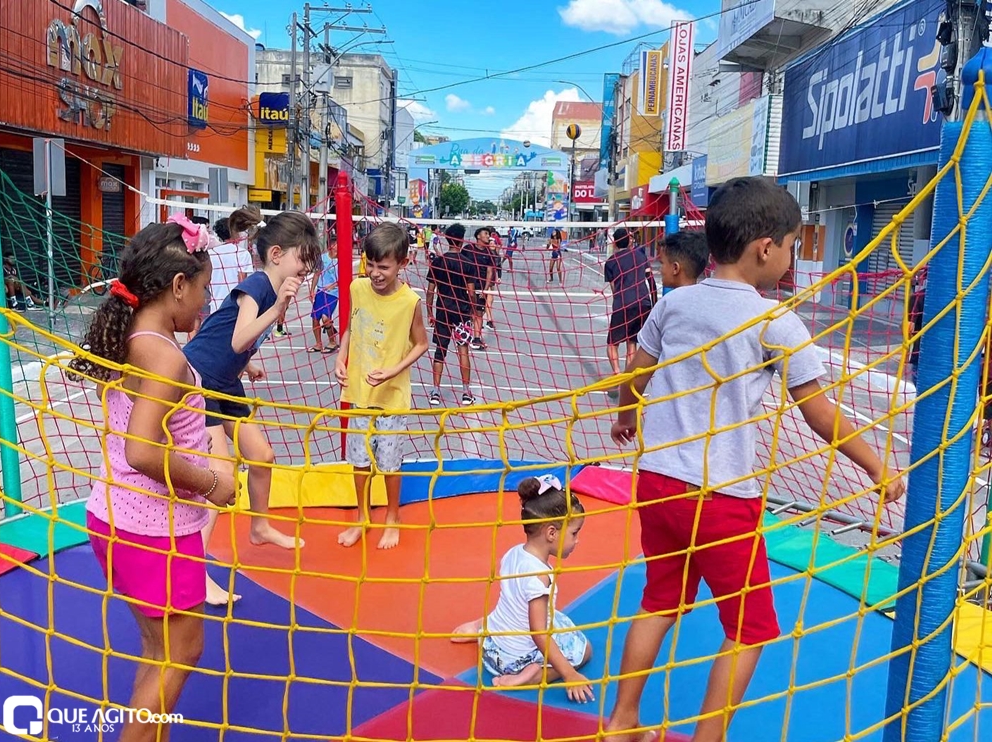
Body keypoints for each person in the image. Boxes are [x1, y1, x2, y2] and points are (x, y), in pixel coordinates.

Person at [604, 177, 907, 742]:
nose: (792, 257)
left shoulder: (675, 303)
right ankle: (709, 736)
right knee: (751, 626)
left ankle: (621, 721)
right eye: (793, 245)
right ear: (765, 247)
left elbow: (637, 373)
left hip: (658, 483)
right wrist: (876, 465)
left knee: (659, 601)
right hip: (720, 497)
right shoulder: (774, 321)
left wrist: (626, 417)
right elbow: (819, 412)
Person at [67, 219, 237, 741]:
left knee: (160, 651)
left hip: (117, 518)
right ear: (179, 286)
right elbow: (142, 450)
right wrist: (212, 483)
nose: (206, 302)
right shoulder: (163, 356)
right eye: (204, 288)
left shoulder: (132, 337)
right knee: (182, 652)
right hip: (153, 531)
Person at [184, 210, 319, 604]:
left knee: (263, 455)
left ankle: (259, 527)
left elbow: (237, 345)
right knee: (222, 474)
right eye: (303, 259)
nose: (307, 268)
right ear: (276, 254)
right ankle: (196, 569)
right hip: (199, 379)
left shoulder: (275, 291)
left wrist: (247, 364)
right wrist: (275, 312)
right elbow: (238, 337)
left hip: (226, 380)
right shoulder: (258, 286)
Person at [451, 475, 593, 701]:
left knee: (542, 615)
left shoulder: (514, 553)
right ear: (551, 533)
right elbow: (538, 633)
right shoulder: (540, 577)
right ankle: (531, 676)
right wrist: (570, 674)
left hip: (493, 649)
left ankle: (481, 626)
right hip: (514, 662)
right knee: (585, 651)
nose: (577, 540)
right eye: (574, 533)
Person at [334, 223, 429, 549]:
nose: (375, 273)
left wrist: (394, 370)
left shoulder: (409, 301)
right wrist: (340, 358)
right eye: (370, 264)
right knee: (359, 460)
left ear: (402, 263)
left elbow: (421, 344)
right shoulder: (356, 288)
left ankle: (392, 516)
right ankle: (362, 516)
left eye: (383, 266)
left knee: (389, 463)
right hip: (360, 392)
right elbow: (349, 327)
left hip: (391, 397)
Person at [425, 223, 476, 407]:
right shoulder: (468, 263)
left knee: (440, 351)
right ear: (462, 239)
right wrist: (472, 309)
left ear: (447, 239)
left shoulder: (438, 262)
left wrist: (430, 311)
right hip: (462, 313)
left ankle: (436, 392)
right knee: (463, 350)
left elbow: (431, 291)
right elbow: (471, 292)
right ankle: (466, 392)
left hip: (443, 312)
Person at [604, 228, 658, 399]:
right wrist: (654, 303)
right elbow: (651, 281)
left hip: (623, 303)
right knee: (632, 343)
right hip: (643, 303)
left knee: (613, 343)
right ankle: (629, 378)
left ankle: (617, 373)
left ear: (615, 242)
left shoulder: (611, 262)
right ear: (629, 241)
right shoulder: (641, 256)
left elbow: (614, 289)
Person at [461, 227, 496, 351]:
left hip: (480, 287)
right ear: (478, 236)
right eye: (486, 234)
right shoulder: (467, 250)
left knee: (479, 313)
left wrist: (485, 289)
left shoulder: (489, 253)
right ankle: (465, 334)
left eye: (489, 234)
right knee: (468, 313)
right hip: (466, 287)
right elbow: (461, 266)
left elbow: (489, 272)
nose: (488, 236)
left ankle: (476, 338)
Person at [308, 236, 340, 354]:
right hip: (321, 292)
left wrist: (334, 285)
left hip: (333, 293)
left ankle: (333, 342)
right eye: (336, 244)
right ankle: (318, 344)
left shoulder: (342, 260)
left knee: (326, 318)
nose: (338, 247)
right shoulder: (322, 258)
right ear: (331, 246)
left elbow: (345, 279)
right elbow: (317, 274)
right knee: (315, 318)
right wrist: (312, 290)